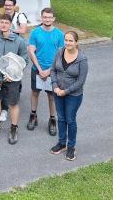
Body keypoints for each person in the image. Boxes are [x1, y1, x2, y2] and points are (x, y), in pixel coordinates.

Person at [0, 14, 29, 143]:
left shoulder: (19, 41)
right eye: (1, 22)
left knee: (13, 104)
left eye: (6, 22)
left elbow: (24, 60)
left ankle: (14, 128)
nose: (3, 25)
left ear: (11, 25)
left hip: (12, 80)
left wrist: (12, 75)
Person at [50, 31, 88, 161]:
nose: (67, 43)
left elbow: (81, 81)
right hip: (57, 91)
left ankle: (71, 146)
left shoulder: (82, 59)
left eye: (71, 40)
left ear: (76, 42)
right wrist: (55, 86)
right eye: (66, 40)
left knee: (70, 120)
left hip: (73, 95)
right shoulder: (60, 52)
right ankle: (61, 143)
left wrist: (65, 91)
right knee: (61, 118)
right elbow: (53, 70)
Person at [27, 7, 64, 135]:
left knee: (51, 96)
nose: (47, 19)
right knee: (35, 93)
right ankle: (33, 115)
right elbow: (31, 51)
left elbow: (60, 55)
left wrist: (49, 71)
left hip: (52, 72)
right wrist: (39, 69)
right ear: (41, 18)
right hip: (36, 69)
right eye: (45, 17)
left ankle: (52, 119)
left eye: (50, 17)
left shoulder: (59, 34)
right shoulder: (35, 33)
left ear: (53, 18)